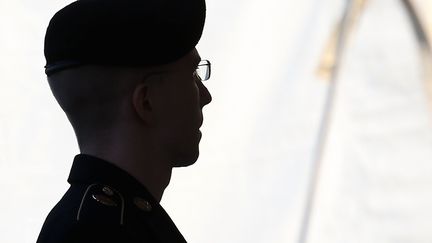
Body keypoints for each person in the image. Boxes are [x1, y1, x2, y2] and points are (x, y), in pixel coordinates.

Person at [36, 0, 212, 242]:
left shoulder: (112, 221)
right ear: (147, 101)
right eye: (193, 76)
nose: (206, 96)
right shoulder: (96, 233)